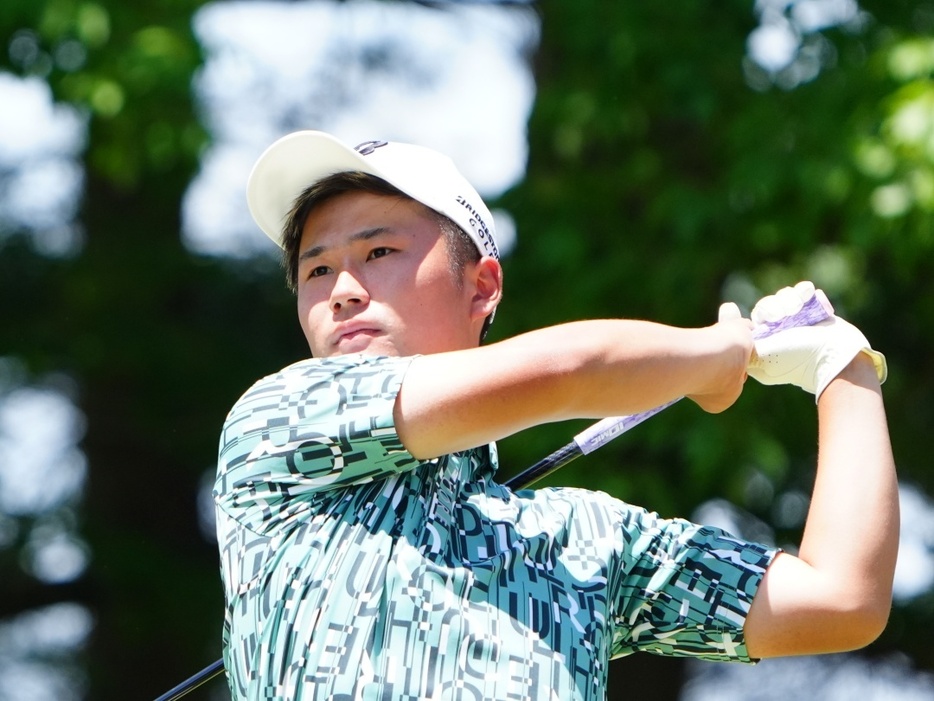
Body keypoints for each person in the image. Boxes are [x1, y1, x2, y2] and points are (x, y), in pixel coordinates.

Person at [213, 131, 897, 700]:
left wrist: (842, 366)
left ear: (481, 286)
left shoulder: (577, 540)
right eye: (317, 271)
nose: (343, 292)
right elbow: (566, 371)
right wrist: (715, 355)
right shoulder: (275, 422)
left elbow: (841, 599)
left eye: (378, 252)